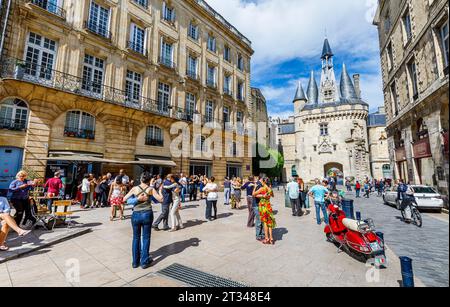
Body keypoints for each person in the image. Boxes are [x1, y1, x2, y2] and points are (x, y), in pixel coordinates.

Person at [124, 172, 163, 269]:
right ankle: (144, 262)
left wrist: (137, 199)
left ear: (141, 179)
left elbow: (124, 199)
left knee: (136, 238)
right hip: (147, 214)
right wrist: (160, 191)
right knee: (146, 238)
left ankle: (135, 262)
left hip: (136, 215)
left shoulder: (134, 188)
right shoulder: (151, 189)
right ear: (150, 180)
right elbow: (160, 199)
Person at [253, 178, 276, 245]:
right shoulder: (269, 189)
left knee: (265, 223)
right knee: (270, 222)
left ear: (263, 182)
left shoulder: (262, 188)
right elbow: (273, 195)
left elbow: (254, 194)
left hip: (263, 207)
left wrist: (254, 187)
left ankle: (267, 238)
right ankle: (271, 238)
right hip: (268, 206)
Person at [252, 176, 265, 242]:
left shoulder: (259, 184)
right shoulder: (258, 185)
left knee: (261, 220)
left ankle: (262, 234)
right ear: (262, 179)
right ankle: (259, 235)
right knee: (259, 220)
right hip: (257, 205)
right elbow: (254, 194)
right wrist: (264, 196)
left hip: (259, 205)